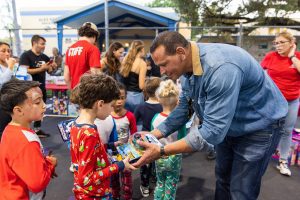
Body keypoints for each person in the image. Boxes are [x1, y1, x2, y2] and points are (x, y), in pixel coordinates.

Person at [133, 31, 288, 200]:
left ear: (180, 53)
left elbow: (213, 130)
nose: (162, 71)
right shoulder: (187, 71)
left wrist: (162, 150)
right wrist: (153, 134)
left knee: (241, 191)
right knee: (223, 179)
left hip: (259, 125)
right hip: (230, 125)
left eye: (164, 64)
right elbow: (185, 109)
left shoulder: (221, 67)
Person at [69, 74, 135, 199]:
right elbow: (86, 179)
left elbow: (86, 155)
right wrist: (119, 166)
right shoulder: (90, 134)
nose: (111, 110)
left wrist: (110, 145)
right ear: (100, 104)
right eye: (111, 105)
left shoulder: (76, 124)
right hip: (94, 194)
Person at [0, 79, 57, 199]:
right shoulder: (25, 141)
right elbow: (38, 184)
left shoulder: (10, 130)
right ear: (19, 110)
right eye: (37, 102)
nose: (44, 105)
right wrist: (50, 166)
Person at [261, 31, 300, 177]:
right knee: (267, 127)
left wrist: (292, 57)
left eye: (282, 42)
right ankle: (261, 157)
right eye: (276, 43)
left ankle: (283, 161)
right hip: (272, 101)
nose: (278, 45)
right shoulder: (270, 57)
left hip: (291, 101)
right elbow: (259, 74)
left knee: (287, 131)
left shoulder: (297, 57)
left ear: (291, 43)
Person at [151, 79, 186, 200]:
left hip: (158, 155)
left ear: (159, 99)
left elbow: (152, 137)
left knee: (160, 182)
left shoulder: (155, 118)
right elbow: (183, 139)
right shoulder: (179, 121)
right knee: (171, 184)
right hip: (174, 156)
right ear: (177, 101)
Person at [19, 35, 56, 138]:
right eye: (42, 44)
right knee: (28, 109)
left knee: (40, 109)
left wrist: (52, 67)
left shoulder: (44, 57)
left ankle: (37, 129)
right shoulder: (26, 55)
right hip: (28, 89)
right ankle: (25, 130)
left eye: (44, 44)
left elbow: (49, 71)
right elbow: (23, 71)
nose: (44, 46)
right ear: (34, 43)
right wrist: (40, 69)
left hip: (41, 87)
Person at [134, 77, 162, 197]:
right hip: (159, 138)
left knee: (145, 163)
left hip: (145, 139)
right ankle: (156, 182)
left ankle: (145, 186)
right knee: (157, 161)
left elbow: (134, 120)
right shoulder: (162, 106)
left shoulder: (141, 106)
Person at [111, 83, 137, 200]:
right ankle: (115, 196)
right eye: (116, 98)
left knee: (127, 178)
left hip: (125, 153)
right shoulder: (106, 117)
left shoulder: (130, 116)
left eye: (122, 98)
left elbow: (134, 134)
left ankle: (127, 197)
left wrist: (133, 148)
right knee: (113, 178)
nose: (119, 101)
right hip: (111, 153)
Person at [64, 22, 101, 90]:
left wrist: (73, 91)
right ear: (94, 36)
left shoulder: (70, 49)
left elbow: (66, 77)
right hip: (89, 92)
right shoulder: (92, 49)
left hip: (76, 91)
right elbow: (95, 74)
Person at [120, 40, 147, 113]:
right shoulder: (142, 63)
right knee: (138, 122)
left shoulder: (125, 60)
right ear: (141, 49)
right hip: (136, 97)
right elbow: (141, 86)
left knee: (127, 119)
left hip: (125, 96)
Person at [0, 42, 16, 138]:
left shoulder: (7, 65)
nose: (7, 53)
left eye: (8, 51)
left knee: (10, 128)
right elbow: (2, 82)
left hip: (10, 101)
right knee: (2, 129)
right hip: (1, 103)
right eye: (3, 51)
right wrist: (10, 67)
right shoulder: (9, 66)